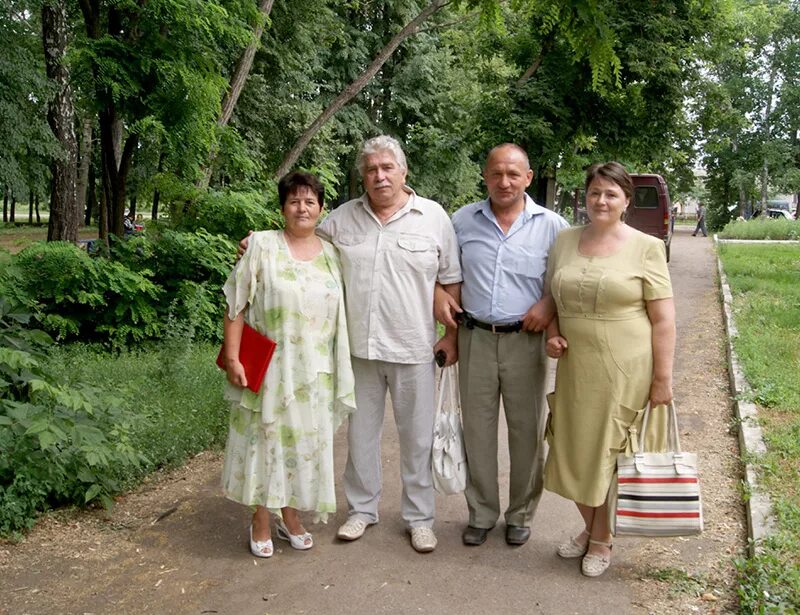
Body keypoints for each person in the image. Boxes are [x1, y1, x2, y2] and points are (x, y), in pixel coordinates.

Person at [239, 136, 461, 552]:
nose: (380, 176)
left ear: (403, 171)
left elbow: (449, 278)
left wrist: (451, 335)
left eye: (387, 168)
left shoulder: (433, 218)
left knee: (417, 439)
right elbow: (298, 239)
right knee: (361, 438)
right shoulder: (341, 219)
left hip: (414, 348)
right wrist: (259, 243)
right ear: (362, 175)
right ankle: (362, 511)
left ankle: (419, 518)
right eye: (371, 170)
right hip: (357, 352)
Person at [542, 161, 675, 577]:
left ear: (626, 201)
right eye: (595, 192)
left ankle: (601, 538)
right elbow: (552, 297)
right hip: (577, 366)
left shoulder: (646, 246)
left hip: (625, 367)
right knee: (572, 450)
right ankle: (591, 526)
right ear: (586, 197)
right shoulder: (564, 240)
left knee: (612, 455)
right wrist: (552, 332)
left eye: (611, 194)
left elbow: (664, 318)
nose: (601, 200)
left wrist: (662, 379)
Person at [434, 144, 569, 547]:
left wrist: (548, 304)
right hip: (475, 336)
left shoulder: (553, 226)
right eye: (496, 173)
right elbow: (443, 271)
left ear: (528, 178)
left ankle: (520, 513)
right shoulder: (461, 221)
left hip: (525, 342)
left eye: (513, 174)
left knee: (526, 432)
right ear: (485, 176)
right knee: (476, 431)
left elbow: (568, 278)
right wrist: (442, 303)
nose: (504, 182)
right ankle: (482, 513)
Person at [221, 171, 356, 558]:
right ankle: (260, 519)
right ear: (283, 208)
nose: (302, 207)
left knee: (303, 446)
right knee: (266, 443)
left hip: (315, 373)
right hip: (270, 369)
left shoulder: (332, 255)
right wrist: (233, 357)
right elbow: (235, 303)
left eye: (310, 201)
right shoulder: (262, 246)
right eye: (294, 201)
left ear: (320, 208)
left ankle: (290, 515)